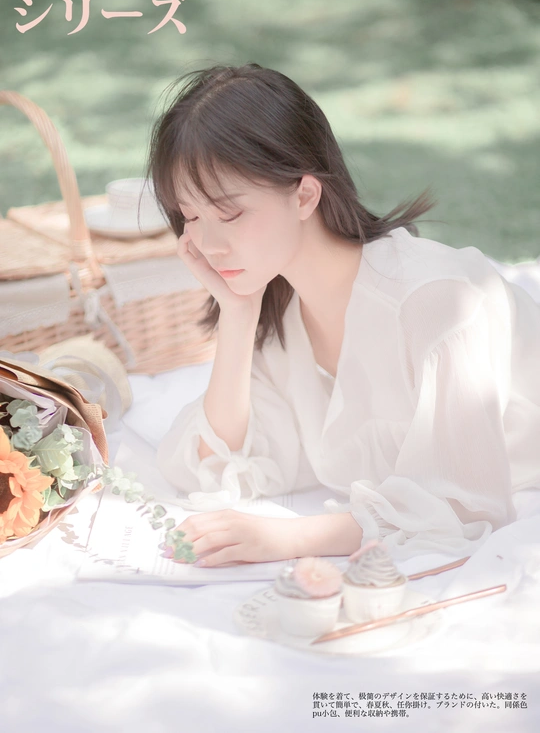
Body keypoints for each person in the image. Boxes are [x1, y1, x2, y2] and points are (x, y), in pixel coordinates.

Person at [147, 63, 540, 568]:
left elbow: (466, 506)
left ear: (305, 195)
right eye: (192, 216)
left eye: (229, 213)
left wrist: (289, 538)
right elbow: (215, 464)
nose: (207, 243)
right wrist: (237, 314)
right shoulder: (282, 311)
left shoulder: (436, 302)